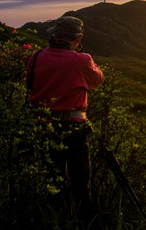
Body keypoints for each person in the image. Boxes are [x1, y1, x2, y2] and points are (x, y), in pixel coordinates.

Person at [26, 16, 104, 224]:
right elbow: (97, 81)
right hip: (74, 129)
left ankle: (56, 220)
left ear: (55, 34)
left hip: (43, 127)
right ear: (78, 38)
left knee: (53, 181)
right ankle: (84, 222)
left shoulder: (36, 57)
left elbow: (30, 83)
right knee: (81, 183)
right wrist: (84, 58)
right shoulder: (81, 60)